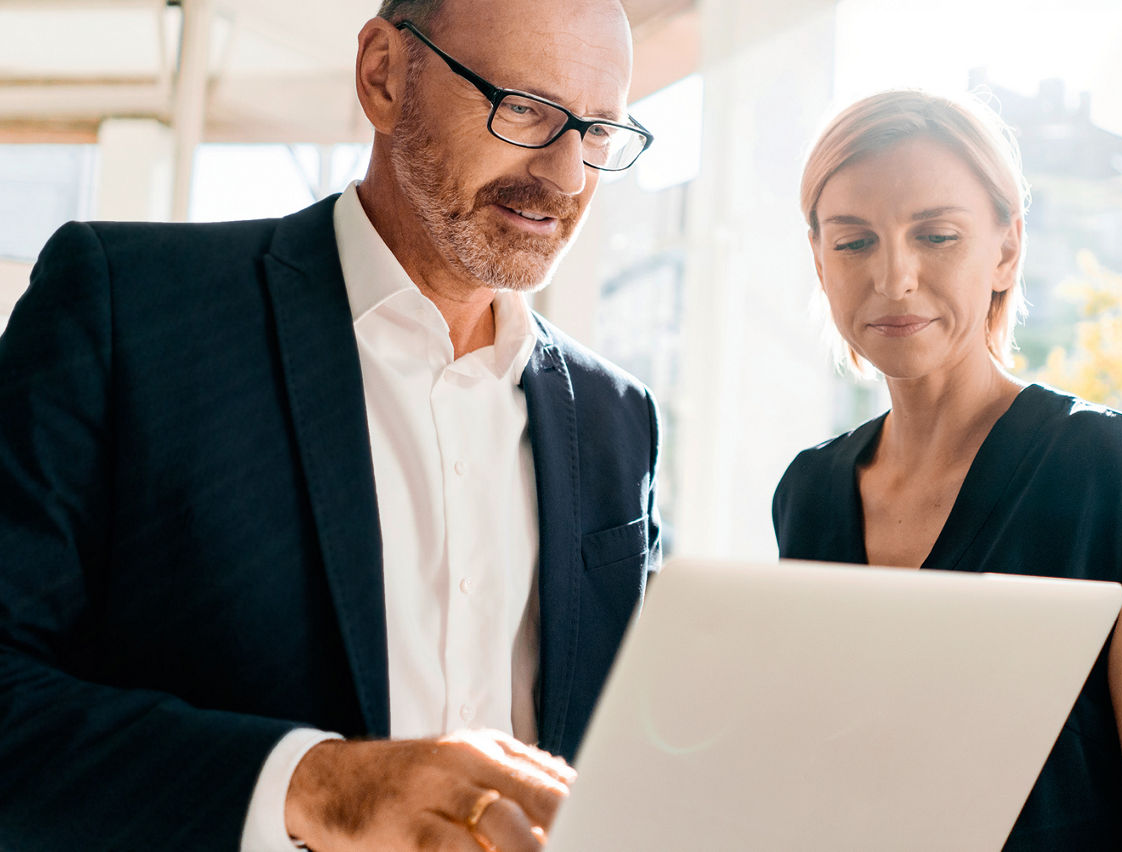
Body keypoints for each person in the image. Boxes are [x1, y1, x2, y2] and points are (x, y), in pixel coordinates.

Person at [0, 0, 661, 849]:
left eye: (600, 129)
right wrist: (315, 787)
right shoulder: (128, 309)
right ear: (383, 74)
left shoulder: (615, 418)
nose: (569, 177)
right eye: (524, 109)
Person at [772, 90, 1122, 851]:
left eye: (937, 235)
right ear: (819, 260)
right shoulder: (808, 494)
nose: (894, 278)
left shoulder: (1100, 470)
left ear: (1006, 249)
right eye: (853, 243)